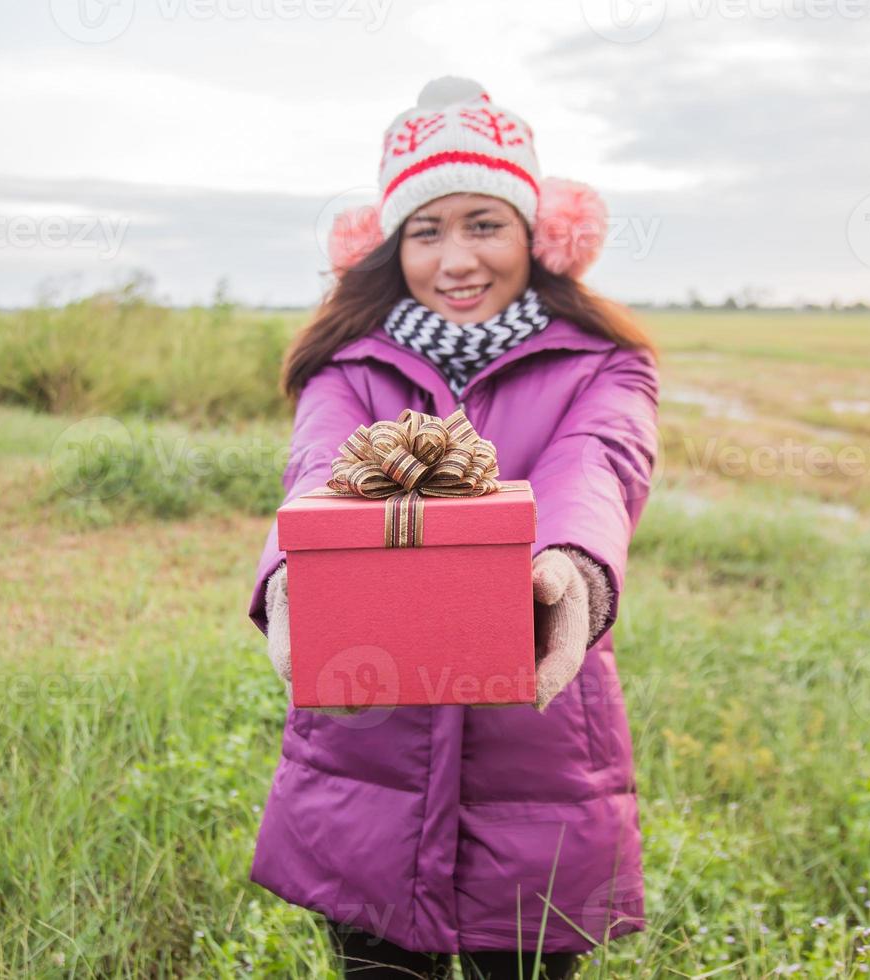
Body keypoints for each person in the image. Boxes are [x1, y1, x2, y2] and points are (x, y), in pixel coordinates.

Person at [244, 76, 661, 979]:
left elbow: (598, 466)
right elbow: (317, 472)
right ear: (390, 248)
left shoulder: (604, 364)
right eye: (425, 231)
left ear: (541, 236)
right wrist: (290, 581)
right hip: (369, 742)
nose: (456, 259)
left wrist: (570, 573)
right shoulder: (346, 364)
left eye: (485, 223)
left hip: (539, 740)